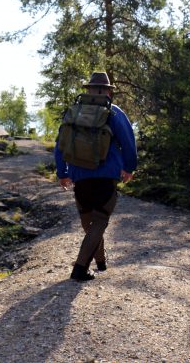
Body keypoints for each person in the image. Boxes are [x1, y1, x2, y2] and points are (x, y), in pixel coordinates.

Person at [54, 71, 137, 281]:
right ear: (108, 92)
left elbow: (60, 144)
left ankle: (100, 262)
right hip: (106, 176)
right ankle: (79, 269)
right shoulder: (114, 112)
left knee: (89, 223)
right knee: (99, 222)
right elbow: (128, 142)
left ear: (89, 90)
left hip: (79, 176)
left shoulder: (73, 112)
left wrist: (62, 172)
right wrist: (129, 167)